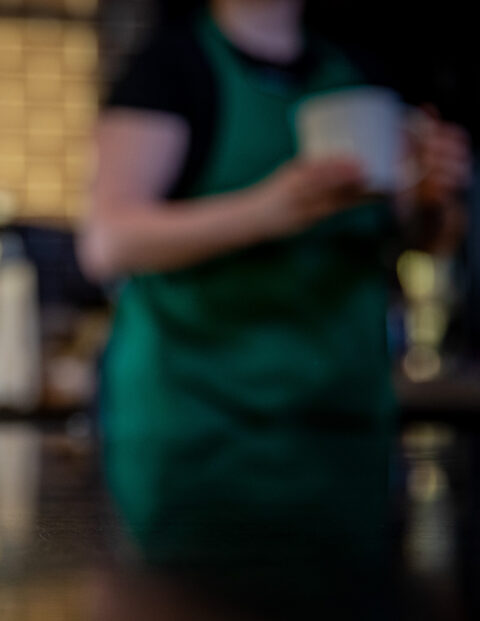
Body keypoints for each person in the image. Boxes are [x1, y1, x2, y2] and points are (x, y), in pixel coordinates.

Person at [79, 0, 471, 562]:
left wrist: (434, 195)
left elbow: (426, 239)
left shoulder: (362, 75)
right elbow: (108, 241)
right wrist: (271, 209)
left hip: (344, 423)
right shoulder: (171, 66)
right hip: (194, 428)